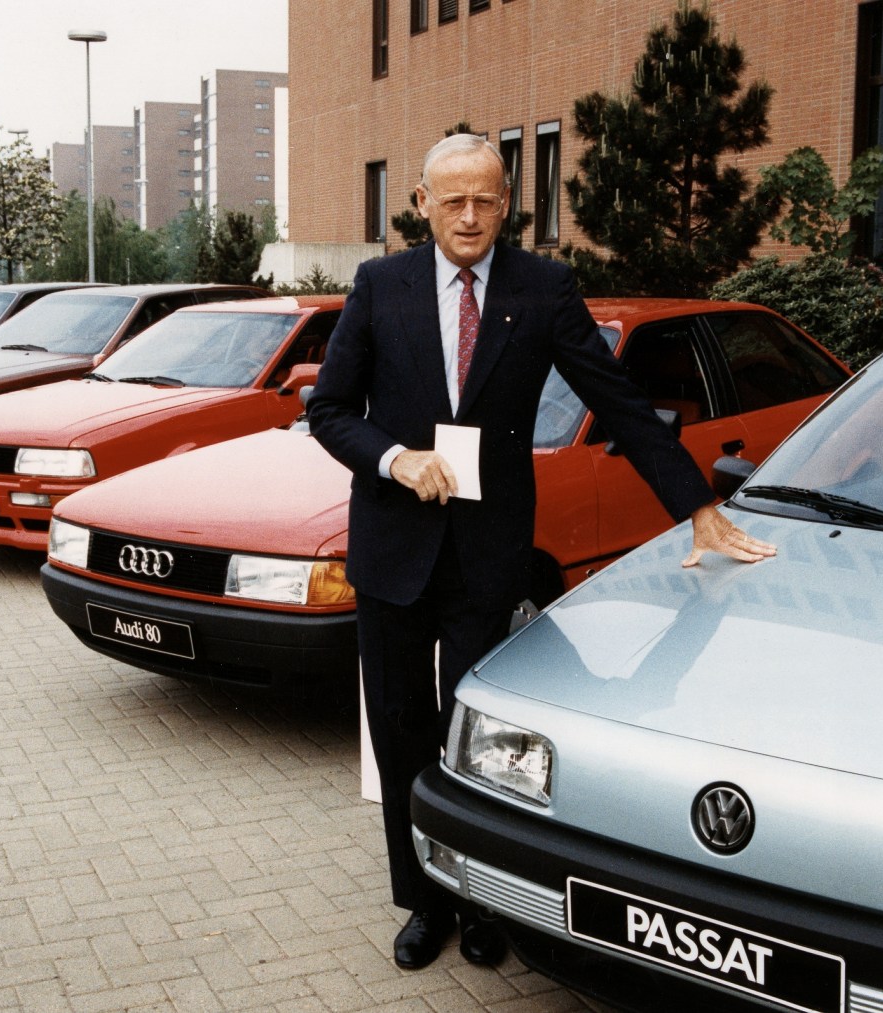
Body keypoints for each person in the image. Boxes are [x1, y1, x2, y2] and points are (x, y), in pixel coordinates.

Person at [306, 134, 776, 971]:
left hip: (489, 554)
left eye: (485, 199)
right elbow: (331, 409)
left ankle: (482, 897)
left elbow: (619, 401)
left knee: (480, 736)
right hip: (394, 550)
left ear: (507, 201)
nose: (469, 216)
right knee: (404, 726)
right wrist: (394, 457)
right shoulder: (381, 286)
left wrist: (697, 508)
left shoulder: (542, 286)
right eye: (451, 200)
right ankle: (422, 898)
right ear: (420, 202)